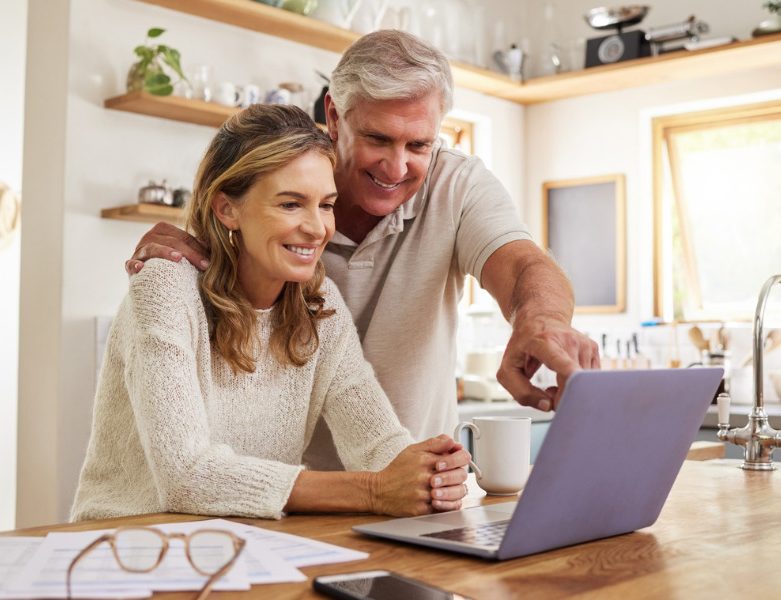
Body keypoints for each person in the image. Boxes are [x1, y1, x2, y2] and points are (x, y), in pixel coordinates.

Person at [126, 30, 600, 471]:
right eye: (378, 138)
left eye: (419, 144)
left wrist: (541, 320)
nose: (397, 167)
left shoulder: (457, 186)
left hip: (398, 485)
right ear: (334, 116)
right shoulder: (272, 198)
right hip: (277, 497)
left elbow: (522, 266)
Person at [70, 104, 469, 522]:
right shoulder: (166, 287)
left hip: (246, 548)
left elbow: (378, 445)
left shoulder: (320, 304)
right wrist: (373, 490)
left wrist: (430, 472)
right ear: (227, 209)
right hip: (126, 551)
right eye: (291, 204)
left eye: (326, 205)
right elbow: (186, 475)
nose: (317, 228)